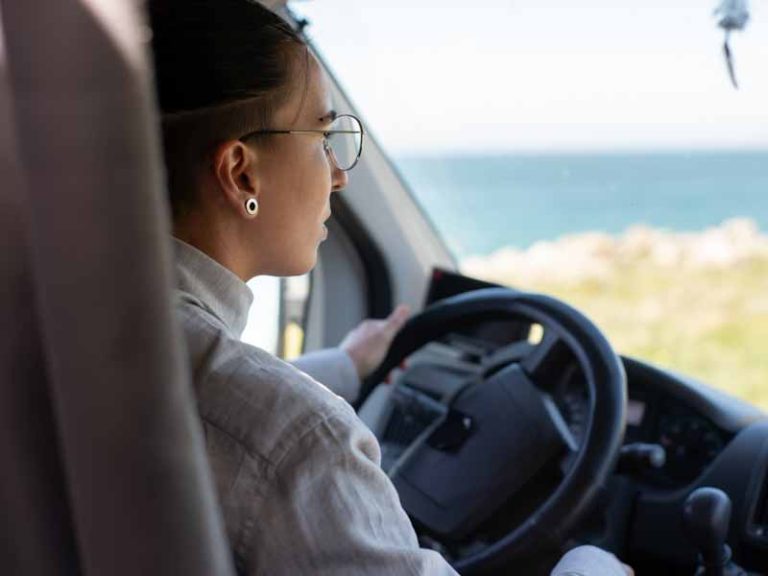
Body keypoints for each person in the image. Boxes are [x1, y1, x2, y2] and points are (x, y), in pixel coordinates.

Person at [149, 0, 633, 574]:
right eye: (323, 136)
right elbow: (255, 427)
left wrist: (345, 364)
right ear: (241, 173)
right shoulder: (305, 440)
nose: (339, 173)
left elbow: (218, 406)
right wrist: (586, 566)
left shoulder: (68, 332)